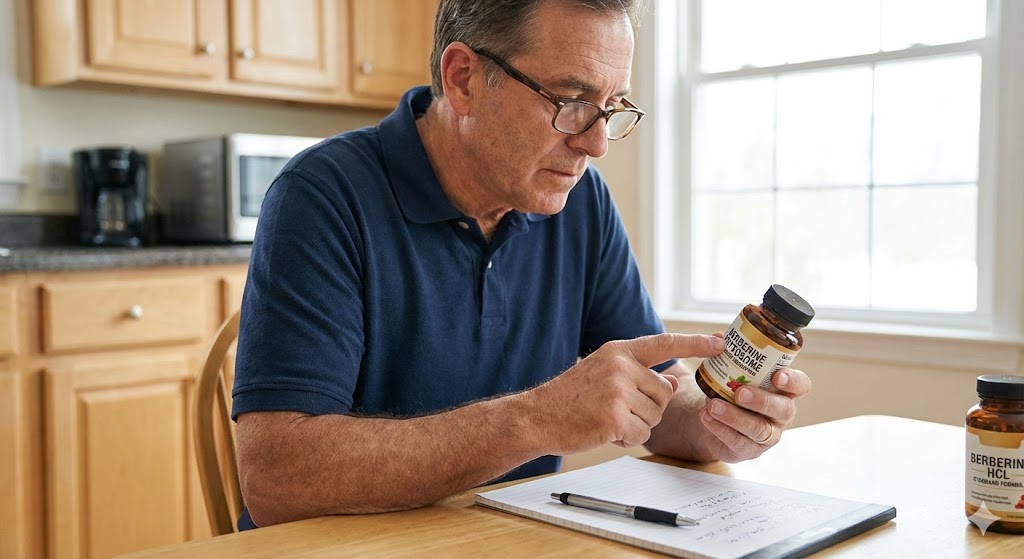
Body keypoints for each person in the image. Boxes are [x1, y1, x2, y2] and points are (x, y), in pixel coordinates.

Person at [232, 0, 812, 529]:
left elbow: (657, 401)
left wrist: (722, 425)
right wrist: (537, 418)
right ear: (463, 80)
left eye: (611, 108)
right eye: (572, 101)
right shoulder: (321, 197)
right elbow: (280, 479)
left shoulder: (582, 202)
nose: (597, 143)